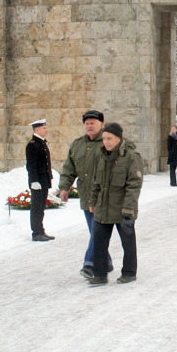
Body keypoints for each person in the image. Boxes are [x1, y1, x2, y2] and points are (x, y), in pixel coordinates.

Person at [87, 122, 144, 285]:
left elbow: (134, 185)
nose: (106, 142)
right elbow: (95, 181)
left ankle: (129, 272)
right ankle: (99, 274)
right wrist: (92, 200)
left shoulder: (131, 157)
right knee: (98, 241)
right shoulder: (101, 155)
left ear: (118, 138)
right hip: (103, 207)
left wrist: (128, 209)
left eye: (109, 138)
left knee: (128, 242)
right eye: (104, 138)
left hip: (123, 208)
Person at [58, 110, 111, 278]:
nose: (89, 126)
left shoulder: (108, 142)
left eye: (93, 123)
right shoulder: (77, 144)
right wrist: (64, 187)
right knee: (95, 232)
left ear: (101, 124)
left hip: (103, 196)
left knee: (96, 231)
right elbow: (69, 168)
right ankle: (106, 261)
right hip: (85, 195)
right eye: (87, 123)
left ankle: (90, 264)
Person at [25, 118, 54, 242]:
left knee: (41, 207)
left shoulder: (41, 143)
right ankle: (36, 233)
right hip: (37, 181)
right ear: (36, 129)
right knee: (37, 208)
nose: (46, 130)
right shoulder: (33, 145)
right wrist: (34, 181)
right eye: (44, 128)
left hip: (43, 180)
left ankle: (41, 230)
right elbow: (31, 165)